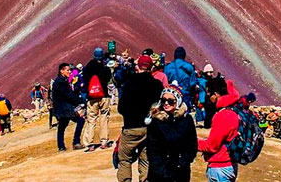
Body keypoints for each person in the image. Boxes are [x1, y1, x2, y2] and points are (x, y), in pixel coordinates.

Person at [117, 54, 163, 182]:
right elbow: (160, 106)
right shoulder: (157, 84)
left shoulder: (129, 83)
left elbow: (121, 108)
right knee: (146, 158)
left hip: (131, 128)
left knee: (125, 159)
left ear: (138, 66)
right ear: (152, 67)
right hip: (150, 129)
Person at [145, 86, 198, 182]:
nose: (166, 103)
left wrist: (184, 162)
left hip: (181, 172)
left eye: (170, 101)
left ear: (177, 101)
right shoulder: (156, 120)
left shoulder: (186, 119)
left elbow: (192, 144)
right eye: (163, 100)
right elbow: (152, 149)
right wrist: (162, 170)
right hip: (159, 173)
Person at [199, 77, 240, 182]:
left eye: (209, 95)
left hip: (220, 167)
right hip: (230, 164)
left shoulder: (223, 115)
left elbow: (212, 146)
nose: (209, 99)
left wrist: (193, 141)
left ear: (216, 94)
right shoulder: (235, 109)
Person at [82, 47, 114, 151]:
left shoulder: (88, 67)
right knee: (104, 118)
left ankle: (90, 143)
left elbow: (85, 79)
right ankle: (104, 142)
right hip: (104, 95)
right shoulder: (105, 68)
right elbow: (108, 78)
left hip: (91, 97)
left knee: (91, 120)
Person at [51, 63, 86, 151]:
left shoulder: (61, 80)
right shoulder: (60, 82)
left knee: (61, 127)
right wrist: (81, 101)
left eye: (70, 70)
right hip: (65, 108)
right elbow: (68, 95)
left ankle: (61, 146)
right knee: (80, 120)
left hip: (62, 108)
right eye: (67, 70)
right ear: (61, 71)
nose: (69, 72)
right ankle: (76, 142)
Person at [163, 46, 197, 117]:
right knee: (184, 114)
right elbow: (192, 83)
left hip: (172, 94)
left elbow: (166, 81)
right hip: (185, 94)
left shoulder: (168, 67)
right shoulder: (189, 67)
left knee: (171, 113)